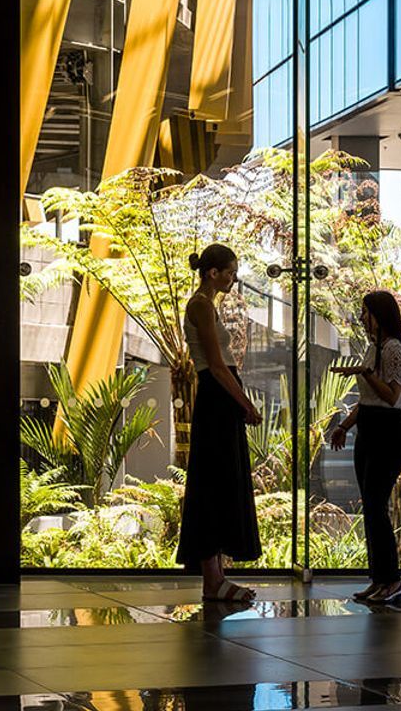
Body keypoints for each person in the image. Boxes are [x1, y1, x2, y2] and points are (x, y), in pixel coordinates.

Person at [176, 243, 264, 603]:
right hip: (217, 397)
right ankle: (212, 580)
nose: (233, 278)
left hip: (220, 397)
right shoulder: (200, 304)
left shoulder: (206, 305)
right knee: (214, 482)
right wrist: (246, 403)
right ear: (212, 273)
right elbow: (215, 366)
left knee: (220, 481)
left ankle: (217, 578)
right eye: (230, 272)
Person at [328, 288, 401, 607]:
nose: (363, 318)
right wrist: (344, 426)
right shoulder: (373, 348)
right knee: (370, 505)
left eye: (367, 312)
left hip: (389, 432)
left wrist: (364, 372)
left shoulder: (395, 350)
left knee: (377, 506)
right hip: (369, 427)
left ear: (381, 316)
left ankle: (392, 581)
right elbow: (367, 400)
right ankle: (379, 579)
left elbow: (392, 397)